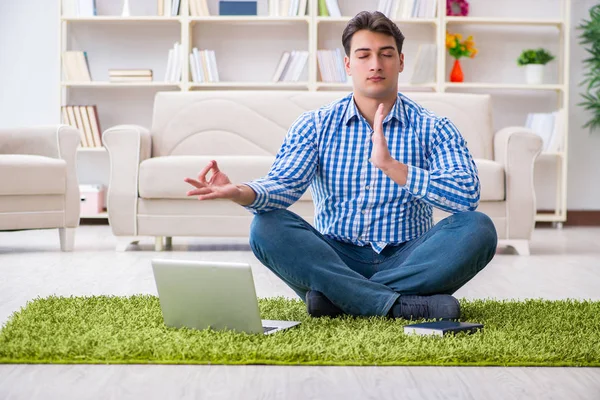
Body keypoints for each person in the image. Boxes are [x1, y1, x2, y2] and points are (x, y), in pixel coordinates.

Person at [184, 11, 497, 321]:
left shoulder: (433, 127)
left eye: (386, 55)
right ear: (348, 64)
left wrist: (393, 167)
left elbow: (466, 195)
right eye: (364, 55)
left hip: (408, 260)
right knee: (266, 227)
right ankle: (398, 305)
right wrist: (240, 191)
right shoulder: (315, 124)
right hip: (334, 259)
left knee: (478, 228)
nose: (375, 64)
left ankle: (338, 299)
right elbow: (284, 183)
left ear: (400, 62)